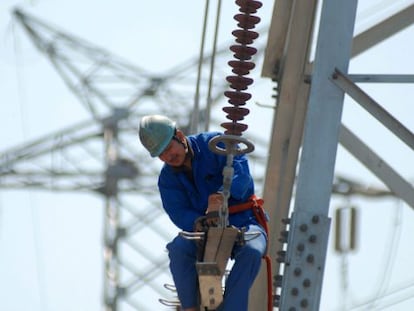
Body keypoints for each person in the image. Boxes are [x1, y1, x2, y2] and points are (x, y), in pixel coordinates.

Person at [138, 114, 268, 311]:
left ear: (180, 136)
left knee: (252, 250)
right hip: (204, 231)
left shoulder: (216, 145)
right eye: (161, 154)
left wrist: (220, 197)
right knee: (178, 249)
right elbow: (178, 212)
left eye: (169, 148)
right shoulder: (167, 180)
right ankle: (190, 307)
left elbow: (242, 180)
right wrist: (199, 221)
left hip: (244, 220)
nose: (168, 156)